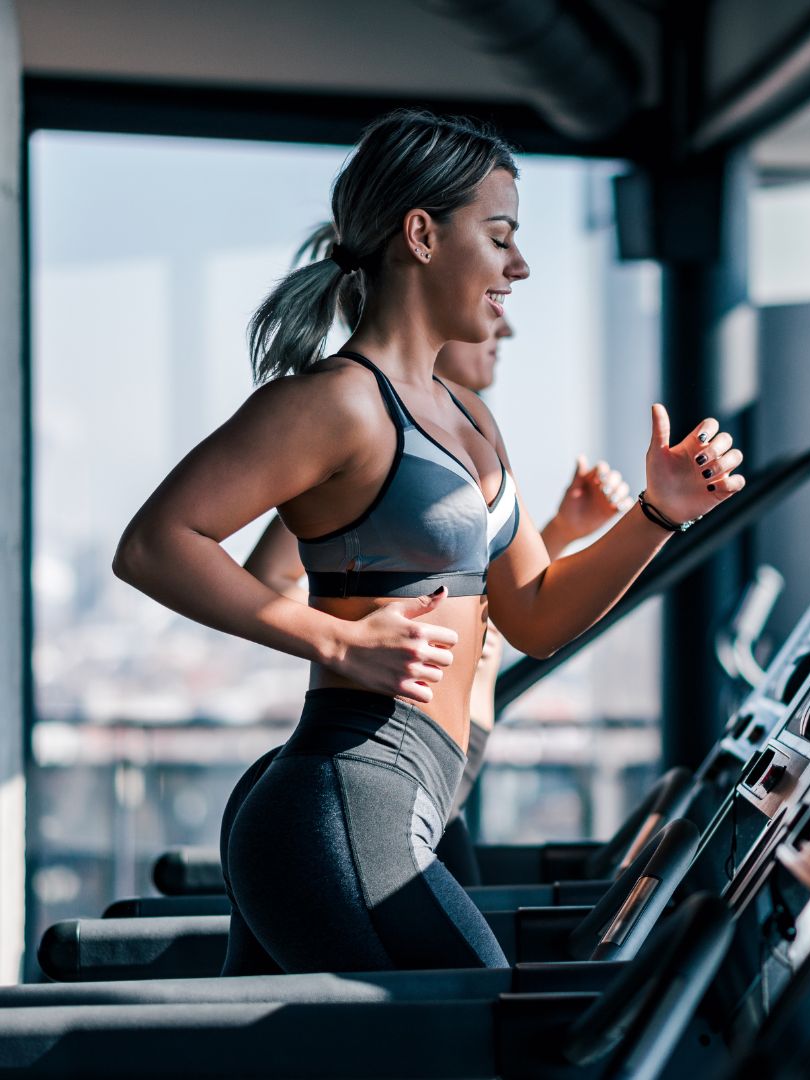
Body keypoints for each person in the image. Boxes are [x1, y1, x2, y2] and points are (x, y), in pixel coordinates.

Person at [113, 109, 745, 975]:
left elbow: (536, 615)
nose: (518, 266)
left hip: (410, 799)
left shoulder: (471, 418)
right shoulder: (336, 402)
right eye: (498, 237)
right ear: (421, 233)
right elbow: (155, 545)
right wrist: (332, 636)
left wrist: (658, 515)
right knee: (487, 1029)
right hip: (346, 793)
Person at [244, 313, 632, 885]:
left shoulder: (467, 431)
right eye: (493, 318)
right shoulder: (366, 441)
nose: (506, 331)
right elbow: (272, 572)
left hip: (445, 755)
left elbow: (486, 592)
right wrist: (347, 639)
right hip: (383, 754)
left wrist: (562, 530)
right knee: (466, 966)